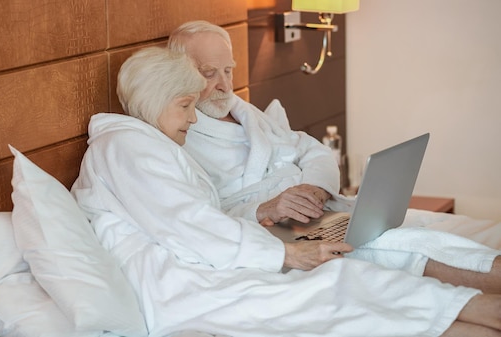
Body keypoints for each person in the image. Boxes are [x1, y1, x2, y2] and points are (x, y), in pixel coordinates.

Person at [71, 46, 501, 337]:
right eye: (184, 105)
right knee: (335, 283)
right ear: (153, 99)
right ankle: (470, 310)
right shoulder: (125, 146)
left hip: (219, 253)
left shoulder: (150, 145)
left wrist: (281, 234)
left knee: (349, 272)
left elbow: (196, 219)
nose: (194, 117)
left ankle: (470, 307)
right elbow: (188, 223)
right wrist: (286, 254)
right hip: (181, 283)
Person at [167, 20, 344, 227]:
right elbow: (202, 219)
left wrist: (315, 188)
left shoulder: (243, 110)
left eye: (228, 71)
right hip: (265, 231)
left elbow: (310, 149)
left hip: (311, 214)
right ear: (179, 75)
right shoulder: (181, 135)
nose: (225, 86)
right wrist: (262, 210)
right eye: (209, 74)